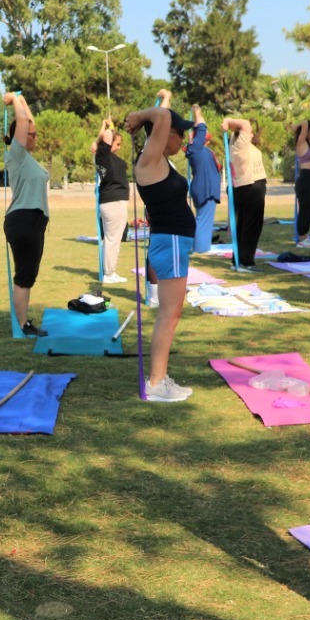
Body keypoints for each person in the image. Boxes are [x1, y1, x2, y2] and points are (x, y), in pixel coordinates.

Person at [124, 103, 196, 402]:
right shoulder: (149, 161)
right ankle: (156, 383)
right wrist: (140, 118)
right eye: (180, 134)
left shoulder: (161, 161)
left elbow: (163, 119)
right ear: (164, 134)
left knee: (171, 313)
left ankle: (159, 377)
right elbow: (163, 115)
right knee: (170, 314)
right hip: (171, 242)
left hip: (174, 242)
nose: (183, 140)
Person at [1, 92, 50, 336]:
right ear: (21, 137)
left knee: (28, 274)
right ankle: (22, 326)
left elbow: (28, 122)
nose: (35, 136)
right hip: (23, 221)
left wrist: (21, 99)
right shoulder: (16, 154)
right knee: (24, 275)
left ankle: (23, 323)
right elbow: (23, 123)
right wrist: (15, 99)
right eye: (32, 135)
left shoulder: (26, 157)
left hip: (31, 222)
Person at [224, 116, 268, 268]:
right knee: (251, 226)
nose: (252, 134)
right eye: (249, 132)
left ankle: (239, 258)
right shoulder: (239, 146)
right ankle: (246, 261)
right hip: (251, 186)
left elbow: (243, 127)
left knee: (244, 225)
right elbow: (245, 125)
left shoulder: (235, 144)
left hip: (248, 186)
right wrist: (228, 121)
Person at [94, 119, 130, 285]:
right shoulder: (103, 156)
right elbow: (107, 135)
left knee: (111, 239)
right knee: (112, 240)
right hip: (113, 202)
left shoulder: (107, 156)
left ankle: (109, 272)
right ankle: (109, 274)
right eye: (118, 143)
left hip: (115, 201)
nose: (119, 147)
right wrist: (108, 126)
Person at [184, 104, 222, 255]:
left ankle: (201, 246)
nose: (207, 141)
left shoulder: (198, 149)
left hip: (206, 188)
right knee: (203, 220)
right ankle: (201, 249)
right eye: (204, 139)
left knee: (204, 219)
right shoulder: (195, 148)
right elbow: (201, 128)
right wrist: (197, 112)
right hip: (205, 188)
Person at [292, 119, 310, 245]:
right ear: (306, 131)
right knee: (305, 208)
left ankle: (305, 234)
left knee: (309, 208)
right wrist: (298, 126)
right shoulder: (301, 142)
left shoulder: (309, 143)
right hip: (305, 178)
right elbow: (303, 122)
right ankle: (302, 238)